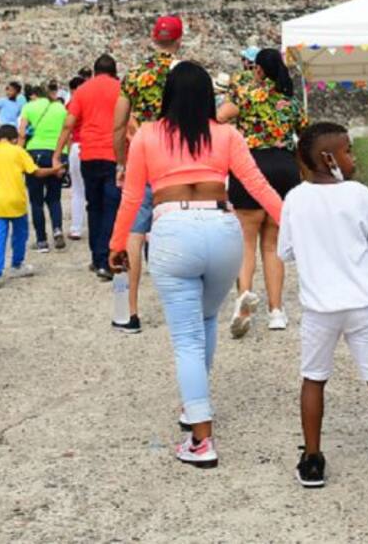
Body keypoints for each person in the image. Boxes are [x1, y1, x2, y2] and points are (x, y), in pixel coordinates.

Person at [108, 62, 282, 468]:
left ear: (167, 94)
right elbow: (257, 185)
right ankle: (193, 406)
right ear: (210, 97)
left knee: (186, 338)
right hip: (223, 229)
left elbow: (132, 197)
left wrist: (117, 244)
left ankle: (201, 438)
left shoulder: (148, 135)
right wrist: (292, 220)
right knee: (205, 323)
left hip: (173, 230)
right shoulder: (225, 134)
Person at [278, 122, 368, 505]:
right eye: (347, 151)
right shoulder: (357, 194)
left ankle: (312, 460)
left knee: (314, 378)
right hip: (364, 303)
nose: (352, 157)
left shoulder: (295, 198)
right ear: (329, 158)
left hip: (320, 309)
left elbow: (284, 252)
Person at [217, 48, 305, 336]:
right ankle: (277, 311)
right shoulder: (290, 100)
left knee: (246, 241)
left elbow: (218, 118)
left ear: (258, 70)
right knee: (273, 244)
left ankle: (244, 300)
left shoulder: (245, 94)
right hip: (285, 168)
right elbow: (305, 134)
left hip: (251, 167)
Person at [111, 15, 183, 326]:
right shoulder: (186, 74)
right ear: (179, 40)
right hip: (179, 159)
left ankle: (130, 311)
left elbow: (117, 125)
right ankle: (182, 306)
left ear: (154, 39)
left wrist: (121, 162)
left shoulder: (136, 75)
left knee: (133, 234)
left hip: (143, 156)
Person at [53, 57, 122, 277]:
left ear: (94, 72)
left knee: (94, 205)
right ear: (114, 72)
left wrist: (57, 155)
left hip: (89, 153)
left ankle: (96, 257)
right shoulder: (121, 89)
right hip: (113, 154)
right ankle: (106, 258)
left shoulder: (82, 91)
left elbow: (68, 124)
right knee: (112, 205)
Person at [0, 125, 63, 288]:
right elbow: (35, 172)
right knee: (19, 235)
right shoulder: (18, 151)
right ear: (15, 138)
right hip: (16, 201)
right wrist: (54, 170)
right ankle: (17, 264)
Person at [17, 84, 68, 253]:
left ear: (35, 95)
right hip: (56, 153)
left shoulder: (29, 107)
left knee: (36, 200)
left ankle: (41, 240)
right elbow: (67, 130)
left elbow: (22, 133)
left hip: (35, 152)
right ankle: (57, 229)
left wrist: (17, 154)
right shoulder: (60, 108)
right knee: (54, 197)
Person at [65, 76, 87, 241]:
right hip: (94, 145)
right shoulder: (92, 102)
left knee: (77, 190)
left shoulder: (72, 104)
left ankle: (76, 228)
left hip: (77, 144)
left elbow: (67, 128)